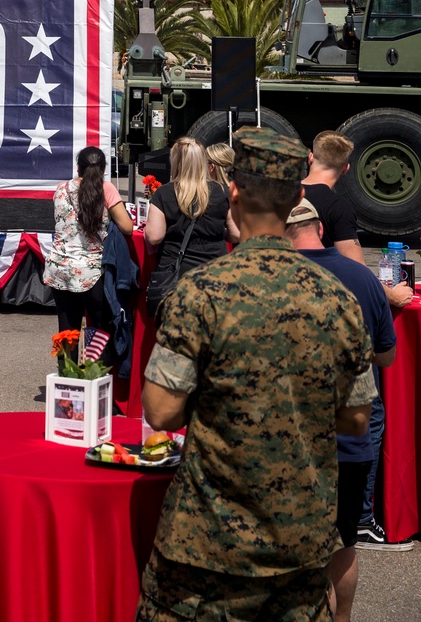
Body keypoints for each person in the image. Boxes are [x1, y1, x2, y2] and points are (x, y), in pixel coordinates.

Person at [136, 128, 376, 622]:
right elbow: (356, 419)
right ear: (298, 200)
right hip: (302, 540)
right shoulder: (339, 300)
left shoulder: (199, 294)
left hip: (206, 545)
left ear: (236, 195)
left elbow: (160, 413)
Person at [285, 197, 402, 621]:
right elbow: (387, 358)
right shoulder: (362, 277)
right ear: (320, 228)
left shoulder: (276, 278)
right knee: (345, 542)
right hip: (351, 434)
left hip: (291, 435)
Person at [144, 135, 238, 320]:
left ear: (175, 162)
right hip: (215, 275)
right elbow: (236, 234)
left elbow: (154, 236)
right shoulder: (221, 191)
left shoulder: (164, 193)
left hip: (176, 278)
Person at [44, 145, 134, 332]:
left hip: (59, 267)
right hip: (91, 271)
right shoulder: (106, 189)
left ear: (78, 167)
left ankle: (66, 362)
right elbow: (127, 227)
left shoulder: (62, 188)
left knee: (67, 330)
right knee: (101, 331)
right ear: (103, 169)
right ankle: (95, 362)